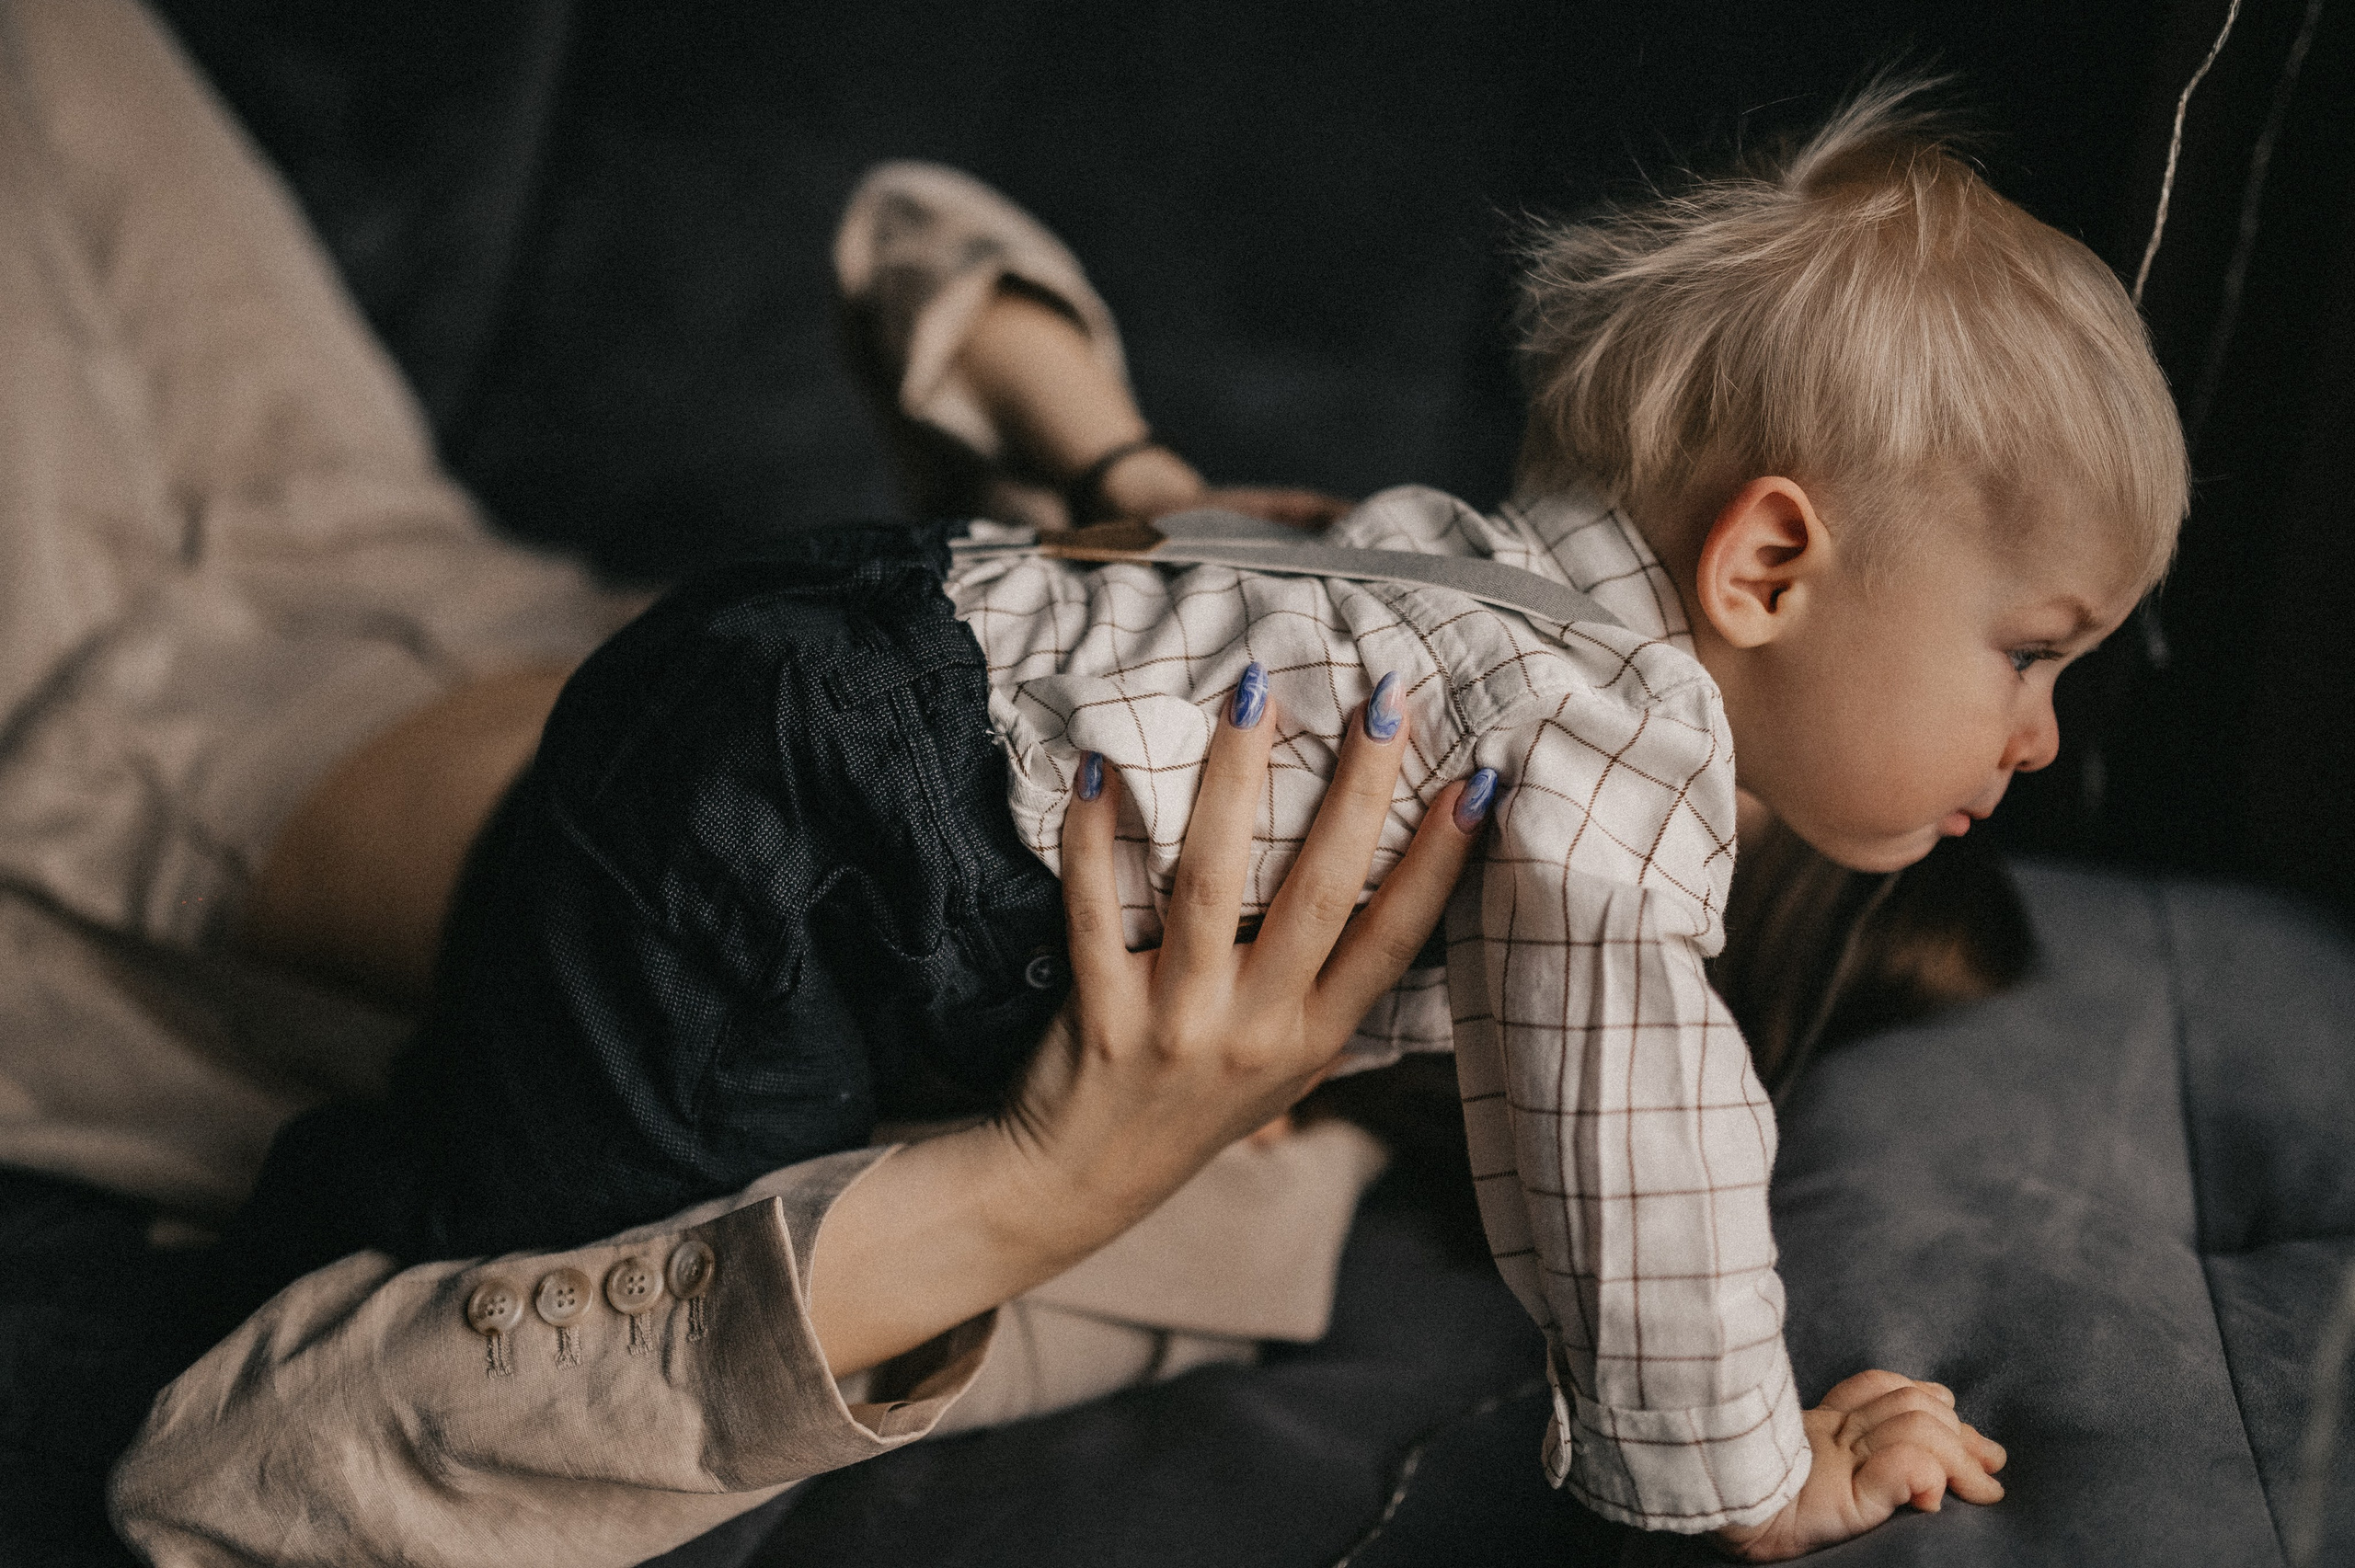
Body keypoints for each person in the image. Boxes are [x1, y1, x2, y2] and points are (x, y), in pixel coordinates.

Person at [204, 72, 2185, 1562]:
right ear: (1763, 562)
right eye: (2032, 651)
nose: (2035, 742)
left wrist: (1156, 504)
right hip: (836, 825)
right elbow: (1640, 1154)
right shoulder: (1618, 765)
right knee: (603, 1353)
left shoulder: (1440, 571)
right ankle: (380, 1236)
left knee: (523, 1143)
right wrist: (1754, 1477)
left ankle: (367, 1202)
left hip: (825, 627)